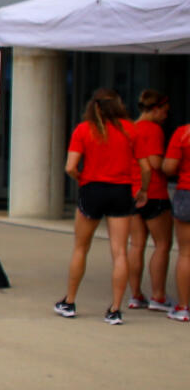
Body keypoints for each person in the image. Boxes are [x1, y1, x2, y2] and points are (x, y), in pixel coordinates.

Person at [57, 88, 150, 324]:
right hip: (121, 190)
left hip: (92, 189)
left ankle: (69, 301)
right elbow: (146, 167)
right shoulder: (131, 129)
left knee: (81, 247)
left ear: (94, 106)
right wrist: (144, 189)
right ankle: (115, 309)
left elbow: (70, 167)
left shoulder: (84, 129)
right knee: (119, 251)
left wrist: (82, 178)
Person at [126, 89, 172, 312]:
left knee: (136, 245)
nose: (166, 115)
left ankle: (135, 294)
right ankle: (158, 295)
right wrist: (174, 164)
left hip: (132, 191)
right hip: (153, 192)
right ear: (154, 110)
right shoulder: (153, 130)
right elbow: (155, 162)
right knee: (163, 244)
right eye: (164, 111)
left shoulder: (130, 128)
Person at [163, 121, 190, 321]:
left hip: (187, 192)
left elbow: (169, 167)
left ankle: (183, 307)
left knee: (185, 254)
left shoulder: (183, 133)